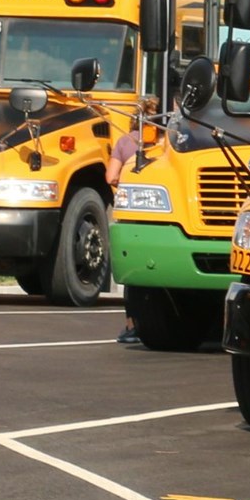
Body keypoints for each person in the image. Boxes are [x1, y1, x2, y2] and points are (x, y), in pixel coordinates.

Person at [106, 96, 158, 344]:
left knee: (134, 273)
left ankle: (131, 325)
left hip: (131, 214)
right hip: (160, 213)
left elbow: (110, 177)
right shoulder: (164, 143)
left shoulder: (124, 142)